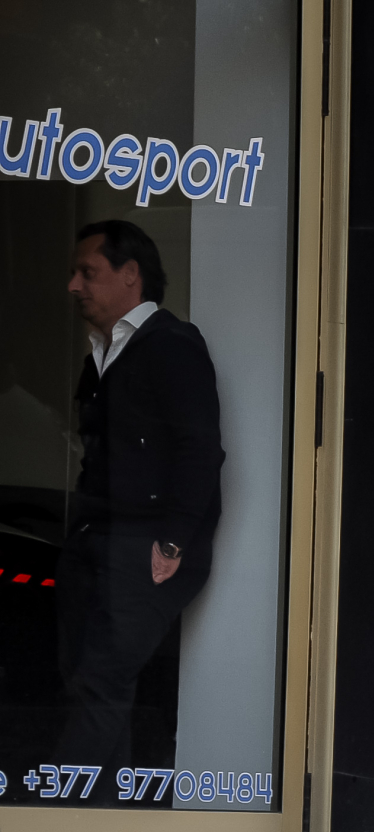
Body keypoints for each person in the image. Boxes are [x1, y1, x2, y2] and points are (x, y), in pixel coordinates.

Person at [58, 220, 222, 782]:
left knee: (102, 679)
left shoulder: (172, 345)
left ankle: (58, 814)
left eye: (88, 272)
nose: (74, 285)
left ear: (130, 276)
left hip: (144, 547)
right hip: (97, 541)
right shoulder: (101, 355)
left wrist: (173, 540)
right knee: (91, 680)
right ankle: (107, 819)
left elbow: (200, 450)